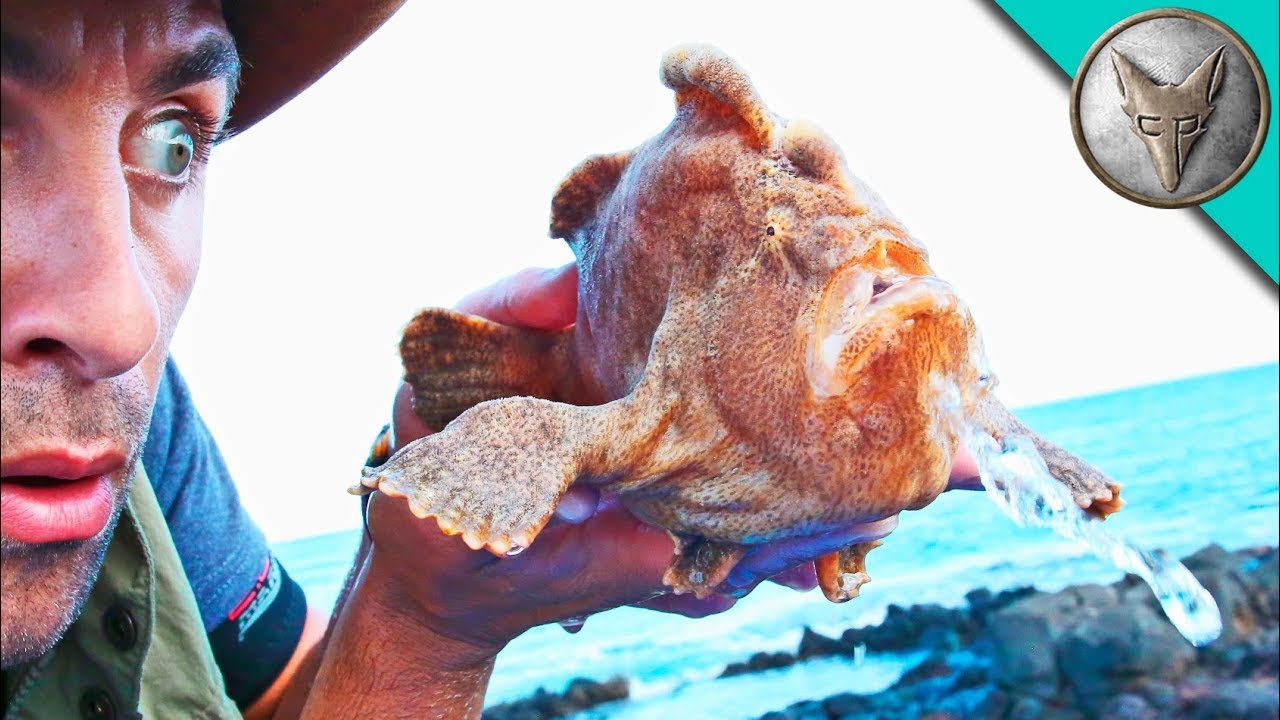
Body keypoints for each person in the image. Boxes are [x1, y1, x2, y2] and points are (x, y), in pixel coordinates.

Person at [0, 1, 981, 717]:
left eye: (174, 143)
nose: (120, 321)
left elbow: (285, 696)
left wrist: (416, 590)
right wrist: (431, 635)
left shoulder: (133, 439)